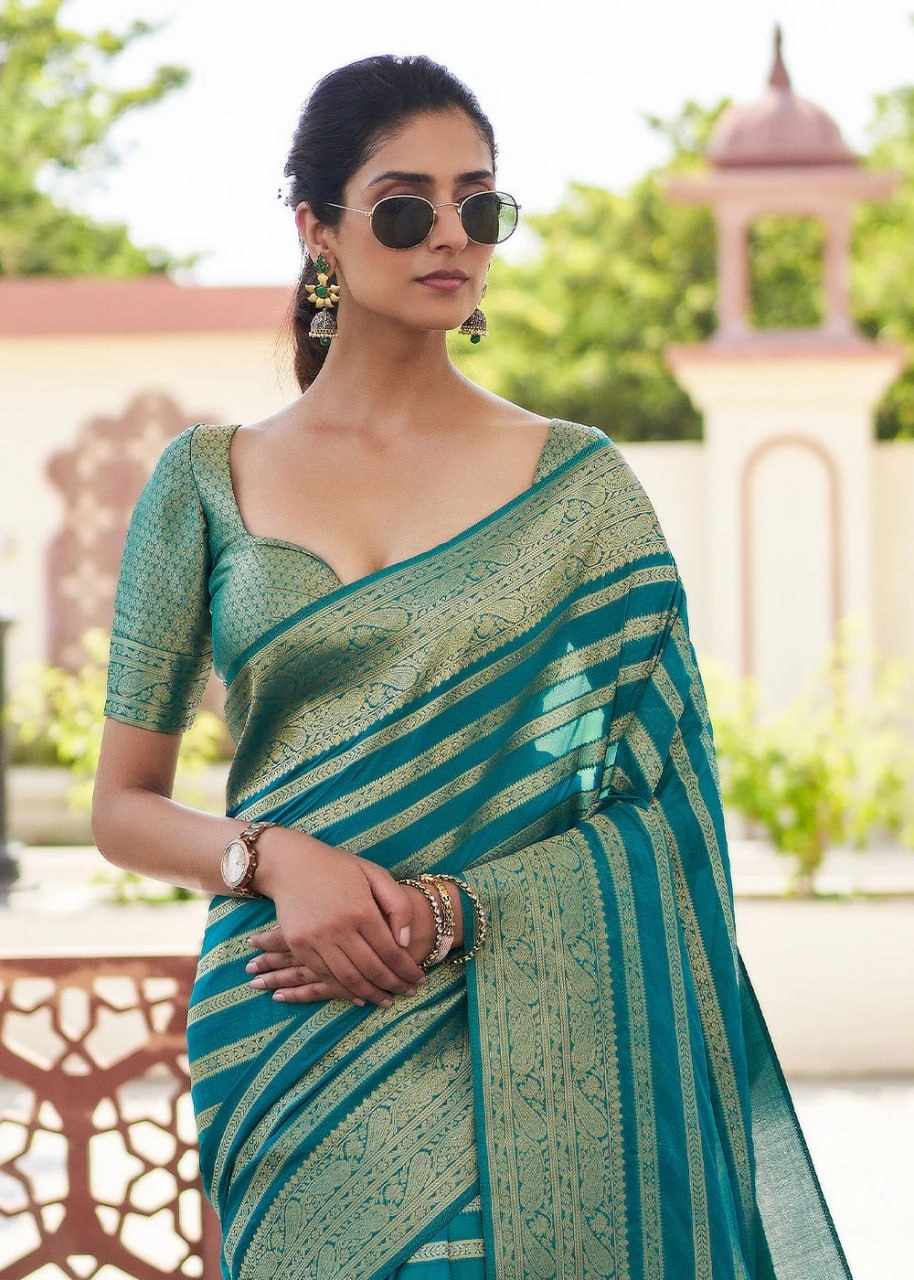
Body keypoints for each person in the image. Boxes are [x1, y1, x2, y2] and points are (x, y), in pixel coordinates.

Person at [91, 53, 855, 1280]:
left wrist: (454, 912)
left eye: (479, 203)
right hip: (288, 1024)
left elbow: (660, 815)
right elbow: (121, 806)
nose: (450, 234)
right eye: (405, 208)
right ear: (316, 230)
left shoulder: (580, 491)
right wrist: (274, 857)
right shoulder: (204, 483)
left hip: (518, 1033)